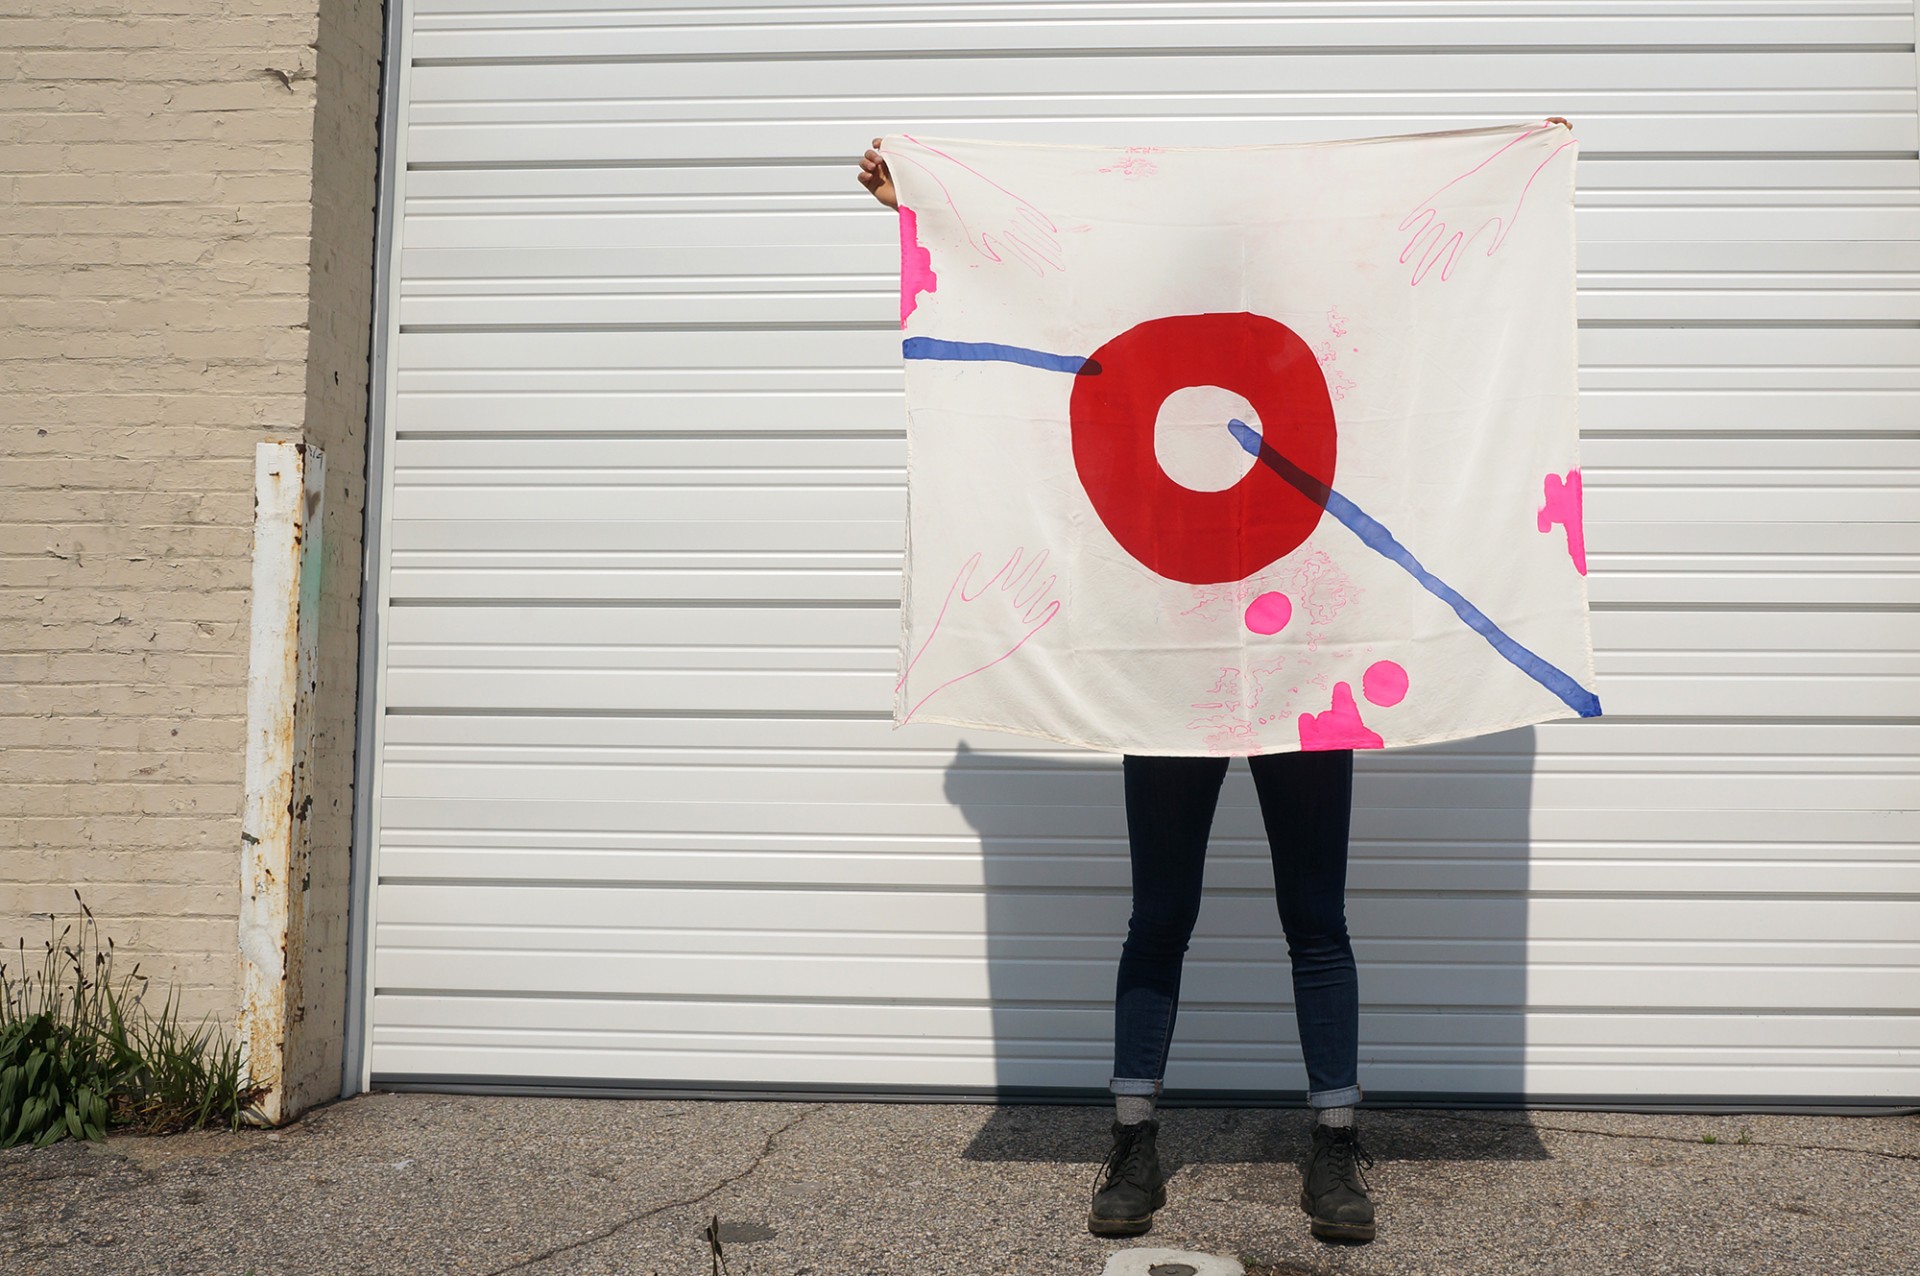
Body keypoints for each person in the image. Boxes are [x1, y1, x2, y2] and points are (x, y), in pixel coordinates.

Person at [857, 119, 1571, 1246]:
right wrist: (924, 197)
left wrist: (1514, 187)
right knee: (1163, 914)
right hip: (1172, 668)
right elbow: (1047, 273)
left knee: (1314, 917)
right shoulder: (1144, 345)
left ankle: (1335, 1145)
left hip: (1307, 670)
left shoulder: (1315, 337)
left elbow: (1408, 335)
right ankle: (1134, 1138)